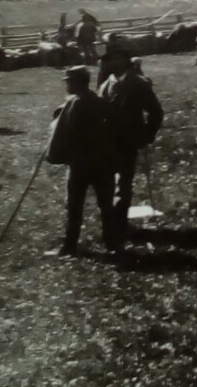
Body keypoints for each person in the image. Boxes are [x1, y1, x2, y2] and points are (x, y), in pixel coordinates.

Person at [46, 66, 116, 257]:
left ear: (78, 82)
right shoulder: (101, 101)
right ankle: (112, 244)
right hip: (103, 163)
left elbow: (66, 133)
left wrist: (55, 153)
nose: (67, 85)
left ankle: (69, 247)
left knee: (74, 206)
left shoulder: (74, 104)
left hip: (80, 164)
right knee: (106, 205)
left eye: (69, 81)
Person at [97, 54, 165, 251]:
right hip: (106, 143)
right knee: (107, 185)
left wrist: (147, 135)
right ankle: (111, 226)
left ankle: (119, 226)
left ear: (120, 61)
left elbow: (156, 112)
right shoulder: (105, 84)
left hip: (128, 142)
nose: (105, 63)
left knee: (123, 185)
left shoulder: (138, 83)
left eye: (109, 59)